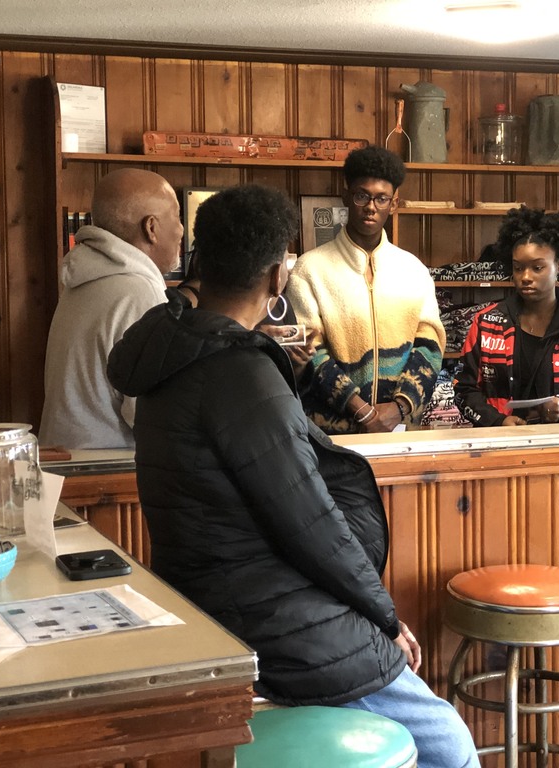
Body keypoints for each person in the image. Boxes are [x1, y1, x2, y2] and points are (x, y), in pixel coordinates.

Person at [106, 184, 479, 768]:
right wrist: (384, 617)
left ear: (200, 259)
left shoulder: (170, 351)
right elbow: (311, 523)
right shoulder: (240, 372)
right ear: (277, 276)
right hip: (275, 623)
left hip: (211, 605)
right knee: (449, 746)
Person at [286, 146, 445, 435]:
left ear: (393, 204)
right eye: (362, 195)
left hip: (400, 430)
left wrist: (399, 407)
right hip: (331, 434)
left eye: (381, 198)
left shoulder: (414, 271)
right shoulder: (309, 270)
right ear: (346, 196)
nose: (371, 206)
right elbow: (309, 350)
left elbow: (430, 346)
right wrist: (361, 409)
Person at [39, 168, 183, 449]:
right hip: (106, 468)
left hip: (66, 463)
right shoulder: (138, 292)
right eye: (177, 216)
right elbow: (151, 417)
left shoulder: (85, 279)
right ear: (151, 228)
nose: (182, 230)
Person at [454, 206, 559, 426]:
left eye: (537, 268)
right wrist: (498, 421)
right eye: (518, 268)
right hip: (499, 442)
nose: (526, 277)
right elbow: (463, 390)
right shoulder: (486, 324)